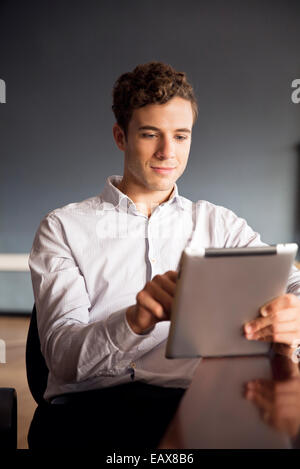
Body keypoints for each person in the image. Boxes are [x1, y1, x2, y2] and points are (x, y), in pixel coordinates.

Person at [28, 61, 300, 448]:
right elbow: (62, 360)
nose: (167, 152)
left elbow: (292, 280)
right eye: (150, 134)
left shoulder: (218, 224)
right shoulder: (62, 228)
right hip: (91, 409)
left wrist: (295, 310)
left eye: (181, 136)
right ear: (121, 137)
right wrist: (135, 320)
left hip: (196, 403)